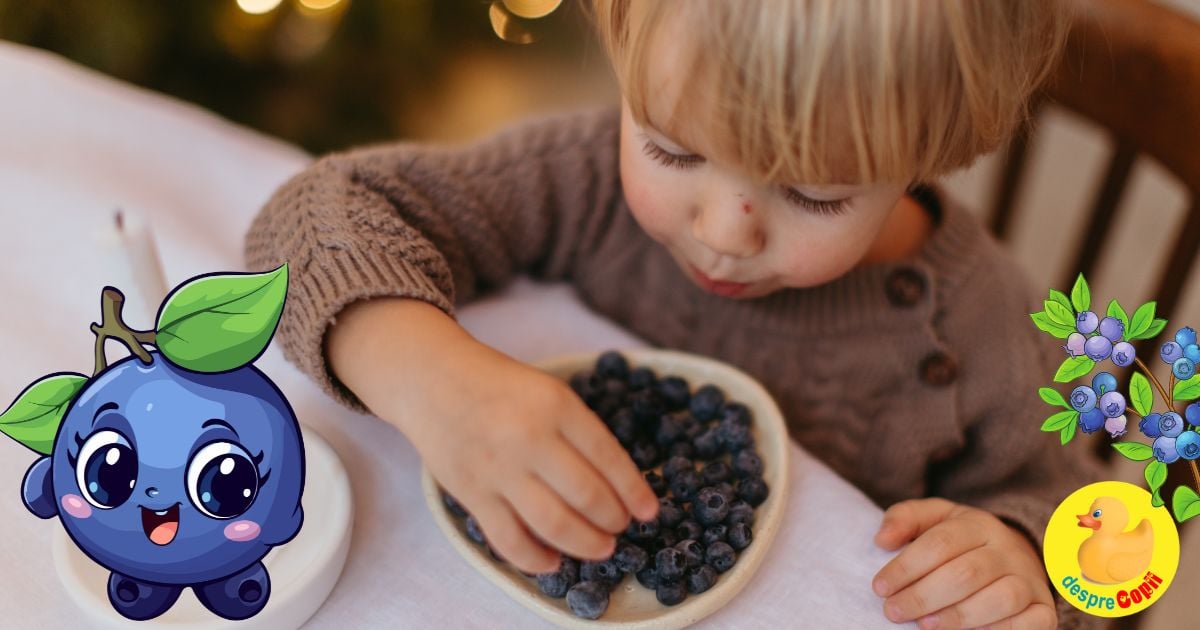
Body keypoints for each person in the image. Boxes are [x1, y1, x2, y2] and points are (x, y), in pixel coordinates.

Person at [245, 1, 1106, 626]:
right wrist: (436, 382)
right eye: (672, 149)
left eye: (811, 196)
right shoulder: (580, 183)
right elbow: (306, 220)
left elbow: (1096, 532)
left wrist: (1022, 561)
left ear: (938, 145)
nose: (721, 232)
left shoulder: (980, 327)